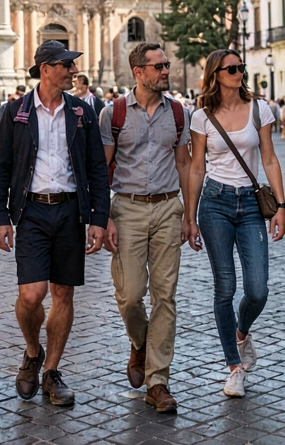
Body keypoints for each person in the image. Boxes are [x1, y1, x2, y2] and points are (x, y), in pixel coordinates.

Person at [0, 41, 109, 407]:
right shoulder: (16, 112)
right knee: (31, 294)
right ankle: (31, 350)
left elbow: (97, 170)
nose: (73, 71)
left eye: (73, 66)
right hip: (32, 212)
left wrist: (98, 219)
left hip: (71, 210)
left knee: (63, 293)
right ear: (45, 69)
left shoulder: (81, 113)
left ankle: (52, 371)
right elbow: (1, 169)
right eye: (65, 66)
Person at [185, 49, 285, 398]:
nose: (239, 72)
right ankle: (233, 367)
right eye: (232, 69)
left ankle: (242, 332)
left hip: (250, 204)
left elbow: (270, 159)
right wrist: (190, 216)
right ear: (215, 74)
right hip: (215, 203)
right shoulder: (201, 116)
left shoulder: (260, 109)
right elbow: (197, 167)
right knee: (224, 287)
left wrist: (282, 206)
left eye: (241, 67)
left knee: (258, 289)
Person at [100, 43, 189, 413]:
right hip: (128, 210)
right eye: (159, 66)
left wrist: (190, 214)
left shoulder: (179, 113)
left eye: (166, 65)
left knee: (165, 296)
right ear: (139, 72)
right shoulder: (114, 114)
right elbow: (102, 169)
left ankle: (158, 380)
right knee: (131, 295)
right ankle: (139, 342)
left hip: (168, 207)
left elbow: (184, 164)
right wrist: (102, 218)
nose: (166, 71)